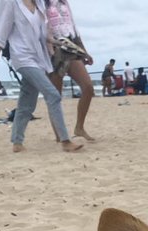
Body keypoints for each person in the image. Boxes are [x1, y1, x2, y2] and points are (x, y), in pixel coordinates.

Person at [0, 0, 83, 152]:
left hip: (38, 58)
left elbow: (43, 33)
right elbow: (0, 32)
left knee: (27, 102)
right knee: (53, 95)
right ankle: (65, 141)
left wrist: (56, 42)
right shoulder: (10, 3)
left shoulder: (39, 4)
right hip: (22, 57)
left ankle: (17, 142)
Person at [45, 0, 95, 141]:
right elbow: (40, 27)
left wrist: (84, 51)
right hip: (52, 49)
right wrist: (50, 50)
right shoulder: (41, 3)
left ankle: (79, 127)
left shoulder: (64, 3)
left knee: (88, 87)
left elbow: (73, 27)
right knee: (55, 96)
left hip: (70, 45)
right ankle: (59, 135)